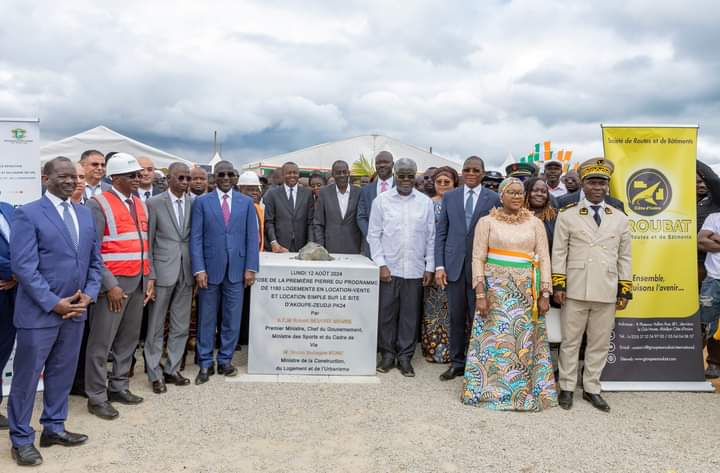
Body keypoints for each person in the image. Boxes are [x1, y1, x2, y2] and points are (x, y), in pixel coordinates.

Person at [8, 157, 102, 466]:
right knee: (26, 378)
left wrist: (88, 294)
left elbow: (94, 262)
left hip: (76, 311)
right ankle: (21, 439)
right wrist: (53, 302)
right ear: (45, 178)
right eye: (62, 176)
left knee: (62, 373)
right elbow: (23, 267)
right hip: (41, 314)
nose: (71, 181)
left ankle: (54, 427)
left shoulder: (84, 214)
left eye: (74, 176)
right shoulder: (28, 214)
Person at [461, 177, 557, 410]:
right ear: (501, 195)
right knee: (494, 340)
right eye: (511, 192)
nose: (516, 196)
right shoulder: (487, 222)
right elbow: (477, 258)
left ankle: (522, 392)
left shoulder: (535, 223)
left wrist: (545, 293)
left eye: (519, 192)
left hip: (526, 292)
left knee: (523, 341)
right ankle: (488, 391)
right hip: (495, 290)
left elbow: (544, 257)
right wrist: (481, 294)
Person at [552, 158, 632, 413]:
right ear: (583, 184)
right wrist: (558, 285)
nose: (598, 187)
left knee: (599, 342)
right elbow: (559, 253)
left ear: (608, 186)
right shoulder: (568, 215)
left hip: (606, 288)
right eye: (593, 182)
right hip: (575, 287)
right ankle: (566, 386)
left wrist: (625, 288)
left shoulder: (619, 218)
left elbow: (625, 256)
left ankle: (591, 388)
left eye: (602, 182)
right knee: (570, 341)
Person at [85, 153, 155, 420]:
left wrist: (149, 278)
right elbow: (92, 251)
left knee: (128, 340)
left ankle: (119, 387)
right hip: (114, 285)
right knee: (101, 342)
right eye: (132, 175)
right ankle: (96, 396)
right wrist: (109, 284)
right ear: (115, 178)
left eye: (139, 174)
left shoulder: (140, 204)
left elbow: (144, 244)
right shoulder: (98, 204)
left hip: (138, 281)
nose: (138, 179)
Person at [191, 161, 259, 384]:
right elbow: (196, 238)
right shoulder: (202, 203)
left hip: (237, 271)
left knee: (232, 318)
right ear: (215, 177)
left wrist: (251, 268)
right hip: (209, 271)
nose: (227, 177)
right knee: (207, 318)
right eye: (222, 174)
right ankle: (205, 362)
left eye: (231, 174)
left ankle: (225, 360)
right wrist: (199, 268)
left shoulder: (246, 203)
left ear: (236, 177)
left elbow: (252, 238)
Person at [435, 156, 500, 381]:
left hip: (480, 268)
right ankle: (457, 362)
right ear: (461, 173)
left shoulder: (493, 198)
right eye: (466, 170)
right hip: (453, 266)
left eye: (475, 170)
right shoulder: (450, 197)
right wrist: (439, 265)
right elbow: (441, 232)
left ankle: (477, 363)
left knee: (478, 316)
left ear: (482, 173)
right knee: (455, 317)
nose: (470, 173)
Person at [368, 158, 434, 377]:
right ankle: (387, 355)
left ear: (415, 176)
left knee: (409, 315)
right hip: (390, 268)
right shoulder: (381, 201)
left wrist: (430, 266)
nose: (406, 180)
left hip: (415, 269)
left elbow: (431, 237)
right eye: (401, 175)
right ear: (395, 175)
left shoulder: (425, 202)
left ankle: (405, 357)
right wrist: (381, 264)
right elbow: (373, 235)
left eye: (409, 176)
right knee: (386, 313)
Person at [144, 163, 194, 394]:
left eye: (188, 178)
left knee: (180, 324)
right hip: (162, 272)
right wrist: (150, 275)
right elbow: (149, 241)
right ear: (169, 179)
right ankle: (154, 372)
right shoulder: (154, 203)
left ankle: (172, 369)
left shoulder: (195, 203)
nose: (185, 182)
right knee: (155, 326)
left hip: (186, 271)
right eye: (180, 178)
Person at [421, 167, 457, 363]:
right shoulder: (427, 204)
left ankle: (453, 350)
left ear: (454, 184)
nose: (442, 185)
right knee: (433, 307)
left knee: (453, 307)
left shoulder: (458, 204)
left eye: (447, 182)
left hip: (453, 261)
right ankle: (433, 348)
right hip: (432, 259)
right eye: (439, 181)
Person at [696, 160, 720, 378]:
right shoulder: (684, 201)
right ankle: (690, 361)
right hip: (681, 264)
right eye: (695, 182)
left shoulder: (716, 201)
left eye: (702, 181)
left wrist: (687, 153)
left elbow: (712, 178)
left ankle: (713, 362)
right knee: (700, 318)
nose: (700, 184)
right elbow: (701, 240)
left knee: (711, 319)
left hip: (707, 267)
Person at [313, 160, 362, 254]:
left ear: (349, 173)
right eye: (338, 173)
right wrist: (321, 247)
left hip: (354, 248)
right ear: (333, 174)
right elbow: (318, 223)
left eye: (344, 172)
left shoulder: (359, 192)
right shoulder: (324, 193)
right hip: (330, 248)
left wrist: (363, 249)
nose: (342, 175)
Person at [264, 162, 314, 253]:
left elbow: (310, 222)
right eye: (289, 173)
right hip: (279, 246)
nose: (292, 175)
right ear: (283, 175)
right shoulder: (272, 194)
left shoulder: (307, 194)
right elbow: (269, 221)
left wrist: (310, 243)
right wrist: (274, 242)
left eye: (295, 173)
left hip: (302, 247)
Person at [357, 151, 394, 257]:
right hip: (371, 246)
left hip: (396, 246)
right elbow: (361, 216)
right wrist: (372, 236)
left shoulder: (401, 187)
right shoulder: (366, 190)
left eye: (385, 162)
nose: (382, 165)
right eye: (378, 163)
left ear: (393, 164)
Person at [0, 200, 16, 431]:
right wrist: (21, 270)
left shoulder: (9, 208)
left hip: (11, 295)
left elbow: (26, 245)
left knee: (3, 349)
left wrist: (17, 276)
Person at [524, 177, 557, 249]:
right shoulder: (515, 215)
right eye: (535, 190)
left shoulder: (556, 217)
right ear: (526, 192)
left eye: (544, 191)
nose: (539, 194)